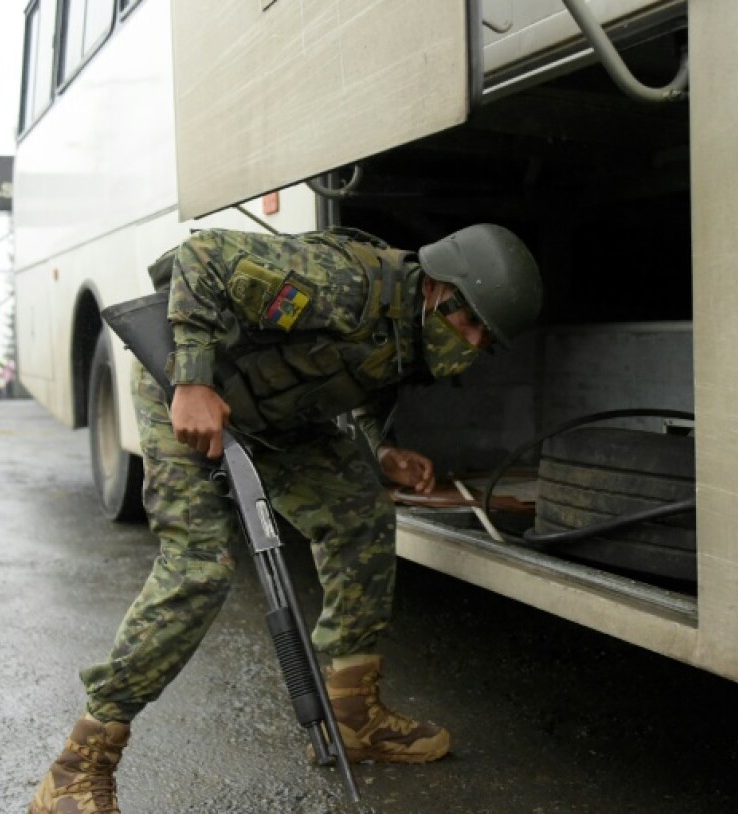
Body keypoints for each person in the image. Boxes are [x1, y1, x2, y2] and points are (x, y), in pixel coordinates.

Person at [28, 224, 543, 813]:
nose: (473, 342)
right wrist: (193, 381)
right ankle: (77, 767)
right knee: (199, 569)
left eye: (486, 338)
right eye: (469, 320)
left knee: (361, 515)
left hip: (277, 413)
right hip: (185, 387)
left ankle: (354, 715)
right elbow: (203, 256)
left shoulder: (412, 327)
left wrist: (380, 451)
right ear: (435, 286)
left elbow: (370, 381)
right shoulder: (347, 283)